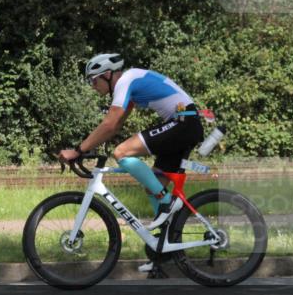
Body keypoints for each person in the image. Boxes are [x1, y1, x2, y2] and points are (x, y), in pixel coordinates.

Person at [58, 53, 204, 234]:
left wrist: (77, 151)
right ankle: (163, 249)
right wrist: (88, 148)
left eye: (93, 81)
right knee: (153, 187)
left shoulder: (125, 81)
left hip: (183, 122)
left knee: (121, 153)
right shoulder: (130, 83)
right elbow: (115, 126)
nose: (93, 87)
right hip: (183, 123)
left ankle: (168, 202)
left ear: (107, 74)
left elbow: (109, 124)